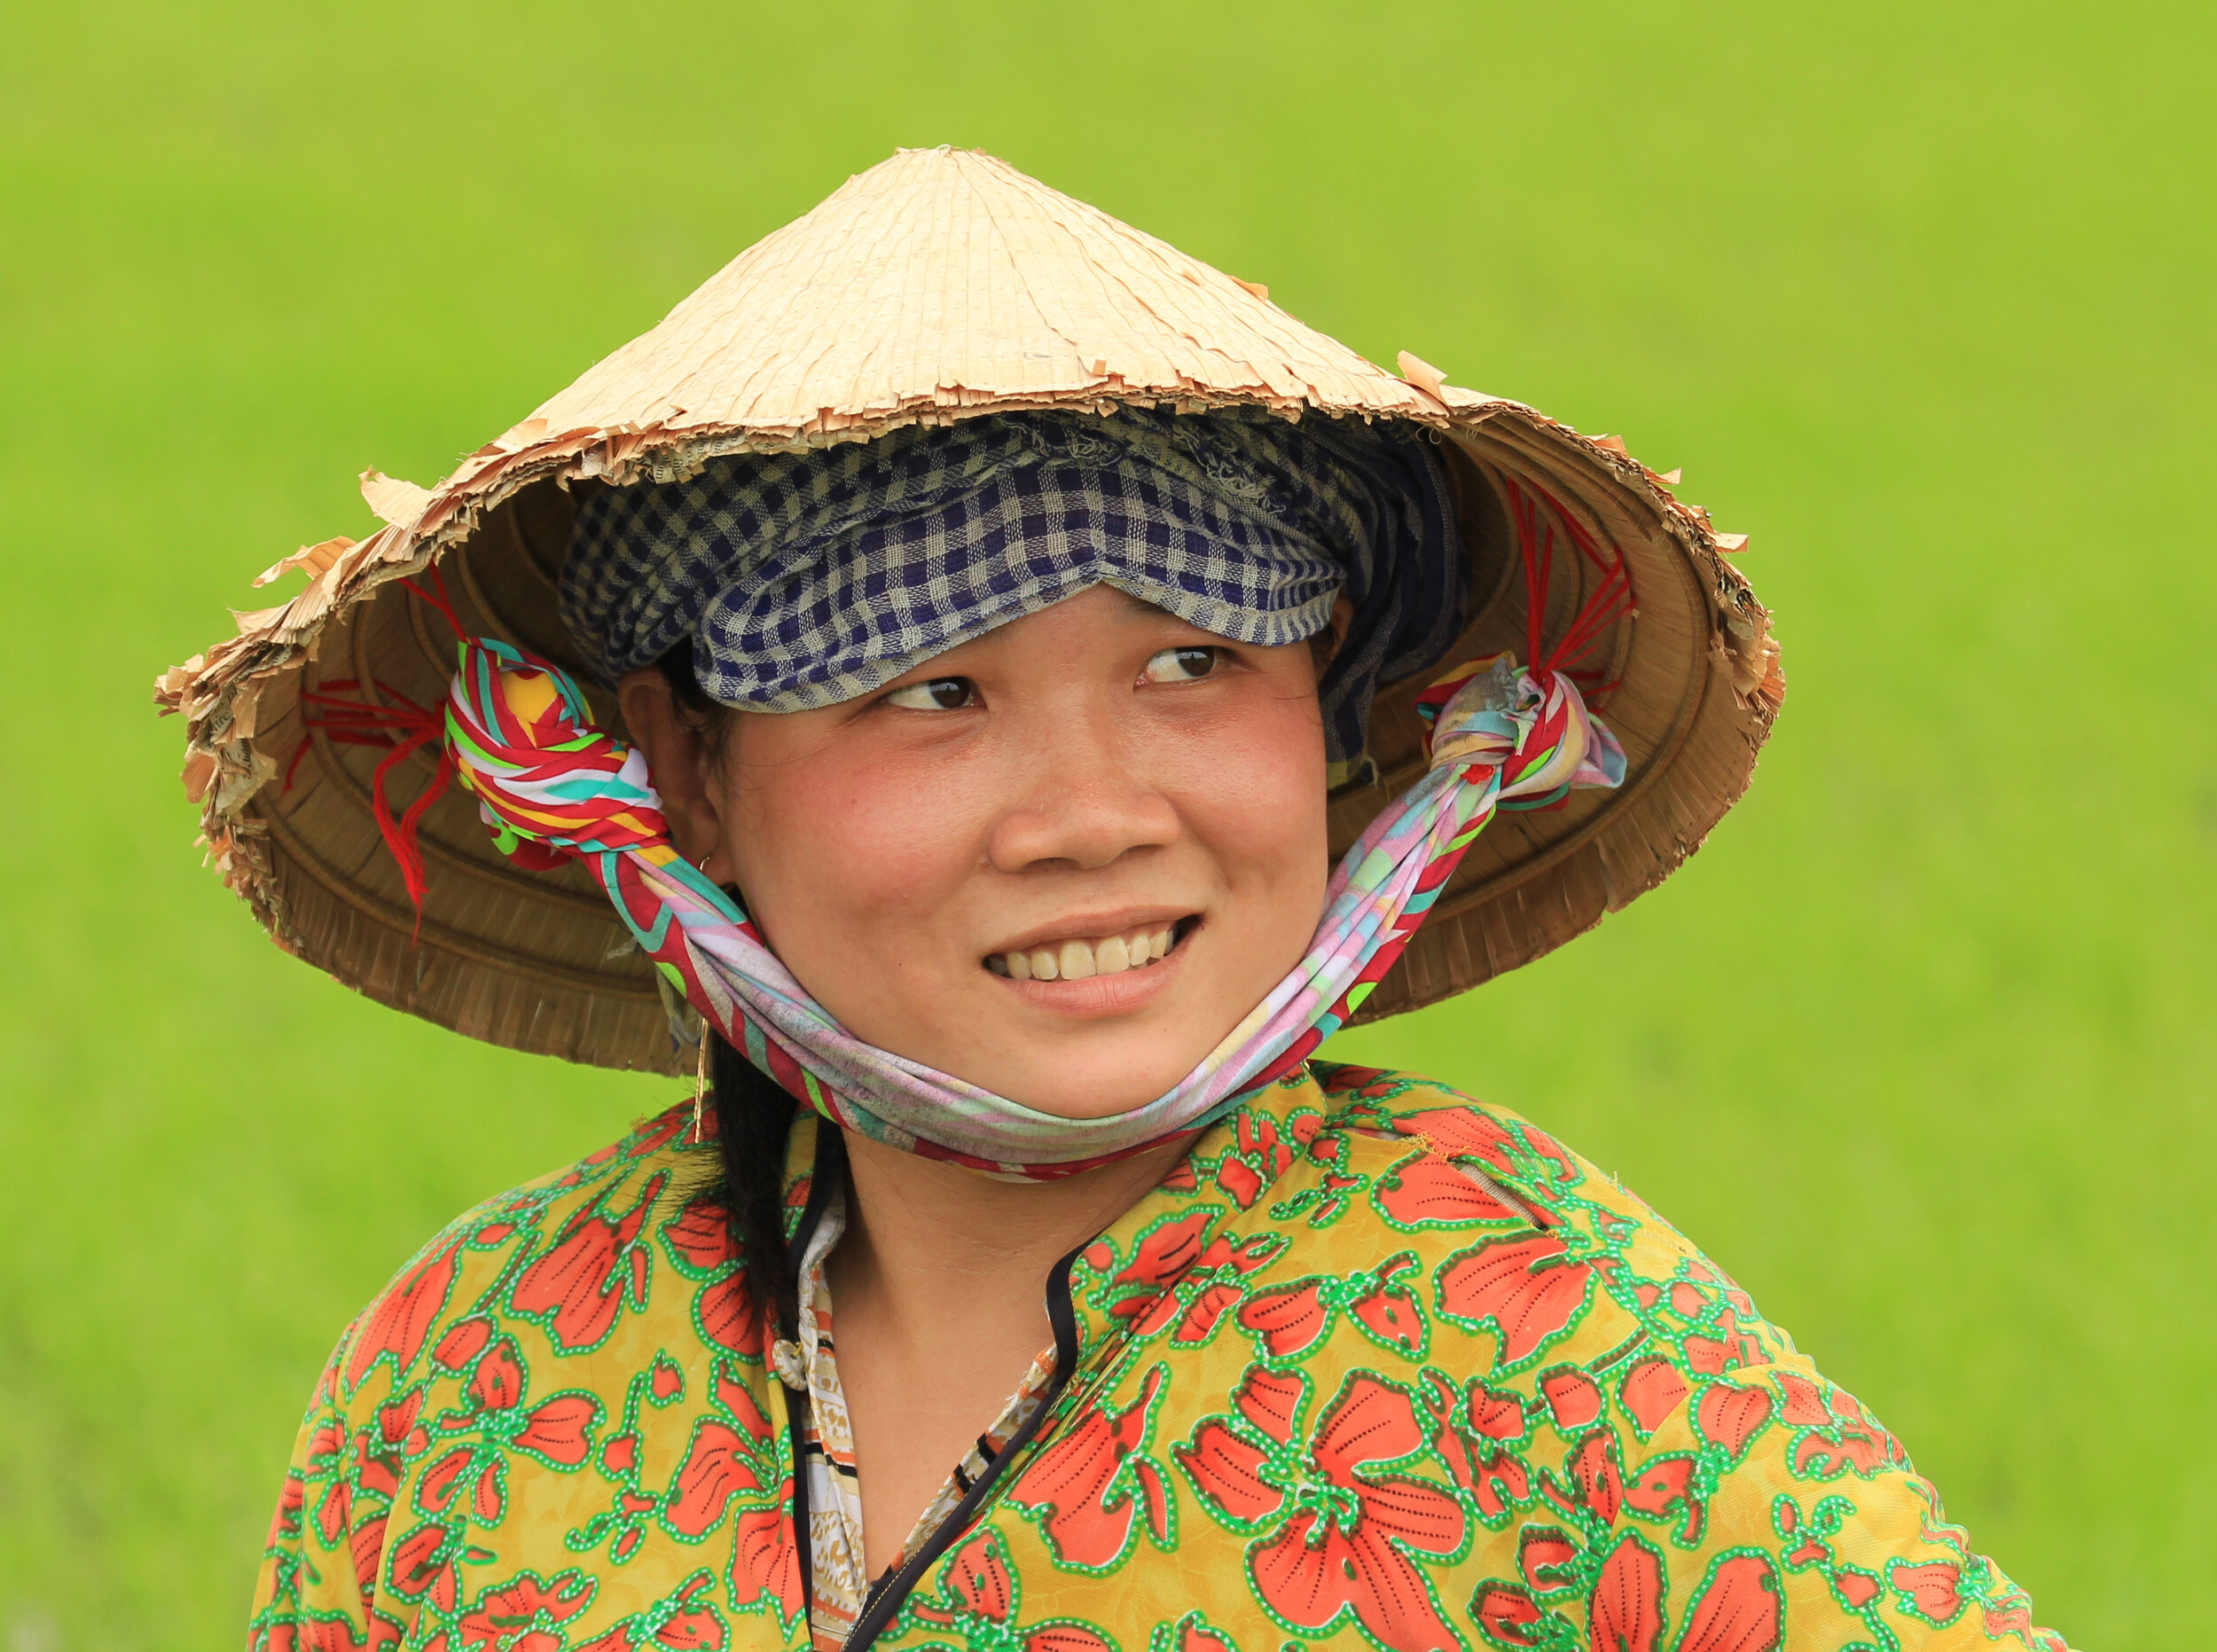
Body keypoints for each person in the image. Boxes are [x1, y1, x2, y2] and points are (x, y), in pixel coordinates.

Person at [162, 149, 2064, 1651]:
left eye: (1190, 663)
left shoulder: (1552, 1349)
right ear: (677, 774)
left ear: (1320, 710)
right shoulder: (473, 1375)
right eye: (931, 689)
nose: (1090, 813)